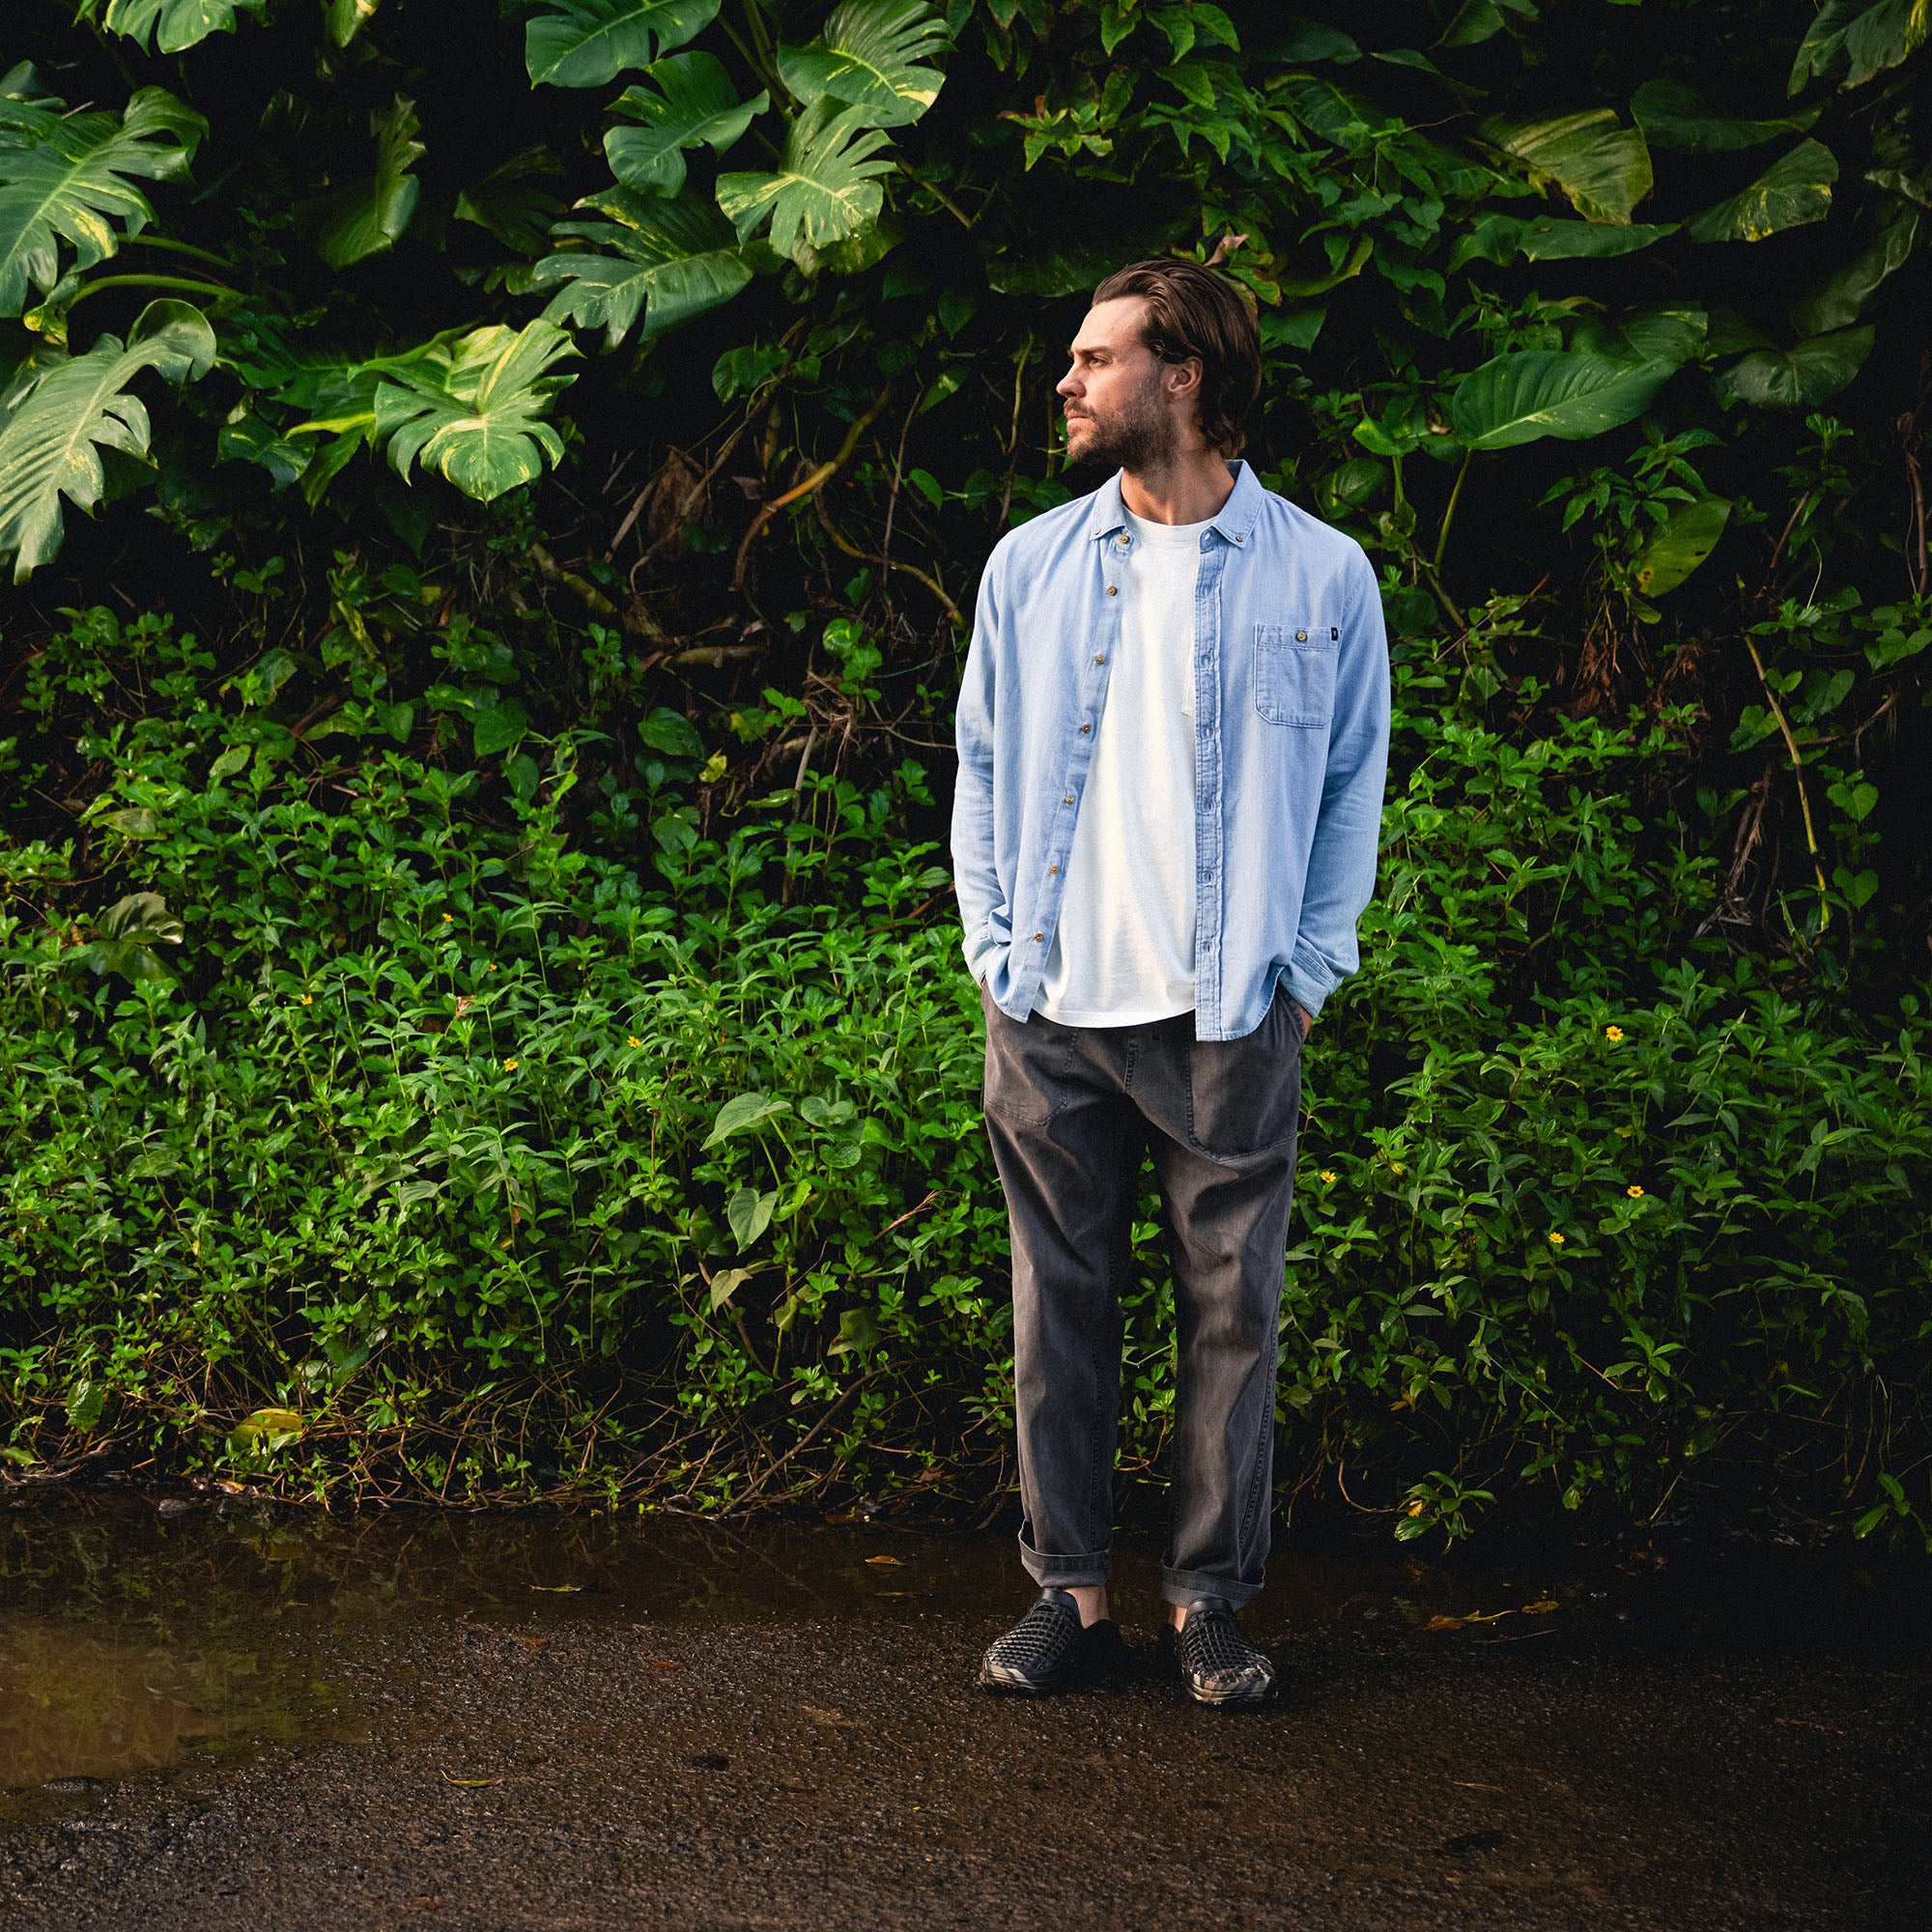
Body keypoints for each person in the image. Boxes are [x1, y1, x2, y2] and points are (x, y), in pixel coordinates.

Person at [951, 259, 1391, 1706]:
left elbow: (1346, 791)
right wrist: (999, 957)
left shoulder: (1324, 576)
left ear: (1183, 375)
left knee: (1233, 1315)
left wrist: (1304, 974)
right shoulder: (1029, 566)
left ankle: (1210, 1603)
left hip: (1229, 1016)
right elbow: (986, 768)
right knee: (1055, 1306)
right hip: (1057, 1009)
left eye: (1096, 359)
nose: (1067, 384)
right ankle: (1069, 1597)